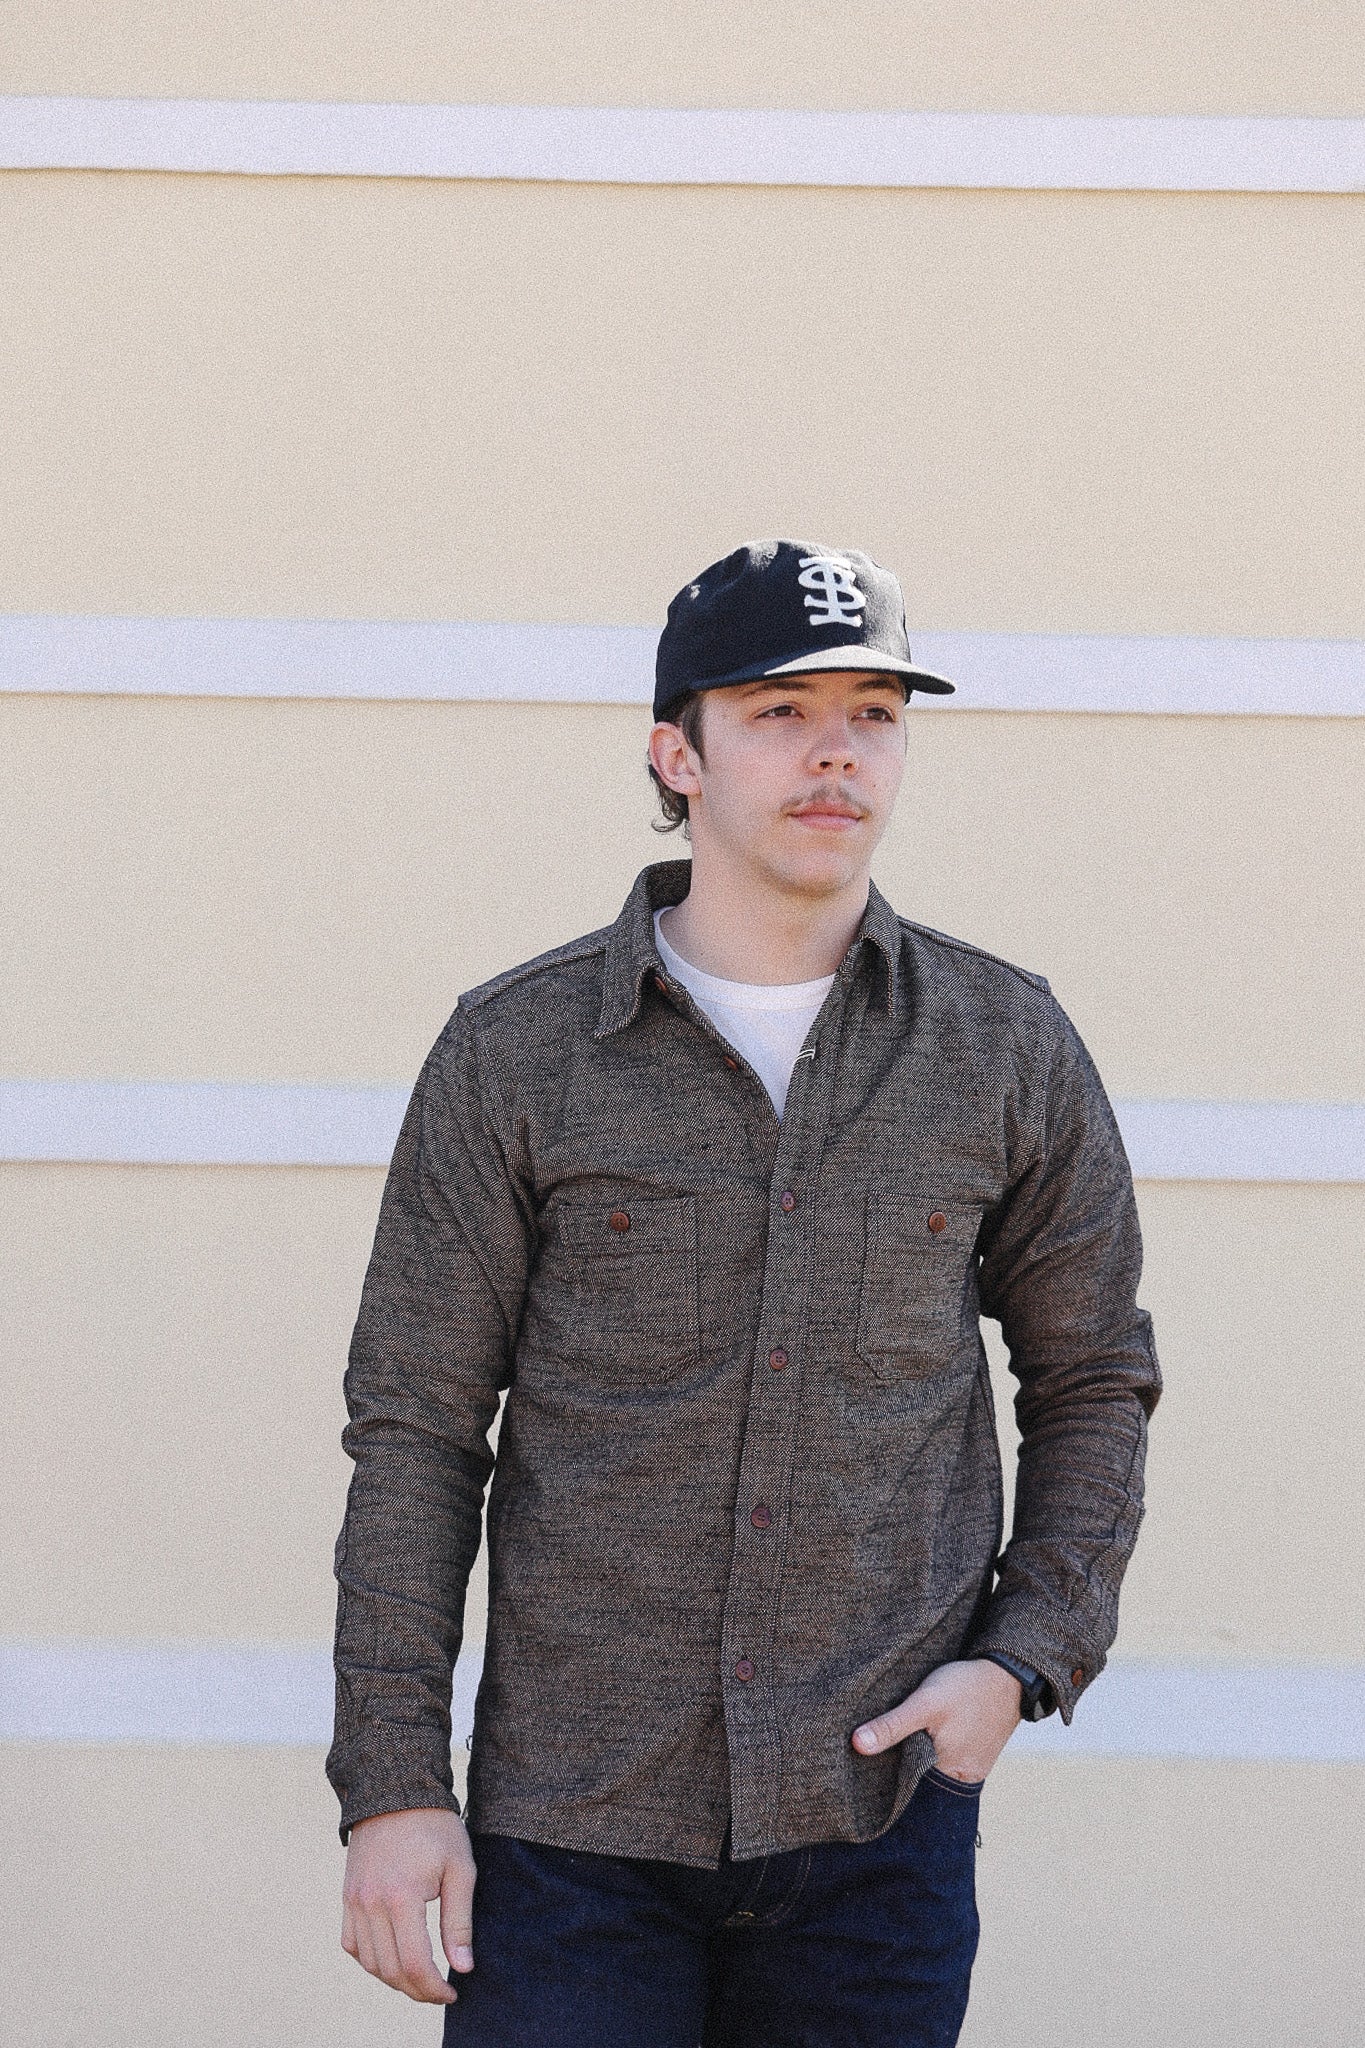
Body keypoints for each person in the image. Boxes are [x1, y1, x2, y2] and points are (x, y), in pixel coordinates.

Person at [327, 539, 1161, 2046]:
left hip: (873, 1833)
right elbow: (417, 1433)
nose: (834, 749)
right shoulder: (514, 1054)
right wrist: (392, 1786)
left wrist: (1022, 1660)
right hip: (570, 1842)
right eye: (778, 711)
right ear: (675, 753)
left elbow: (1094, 1375)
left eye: (874, 712)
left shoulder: (1001, 1044)